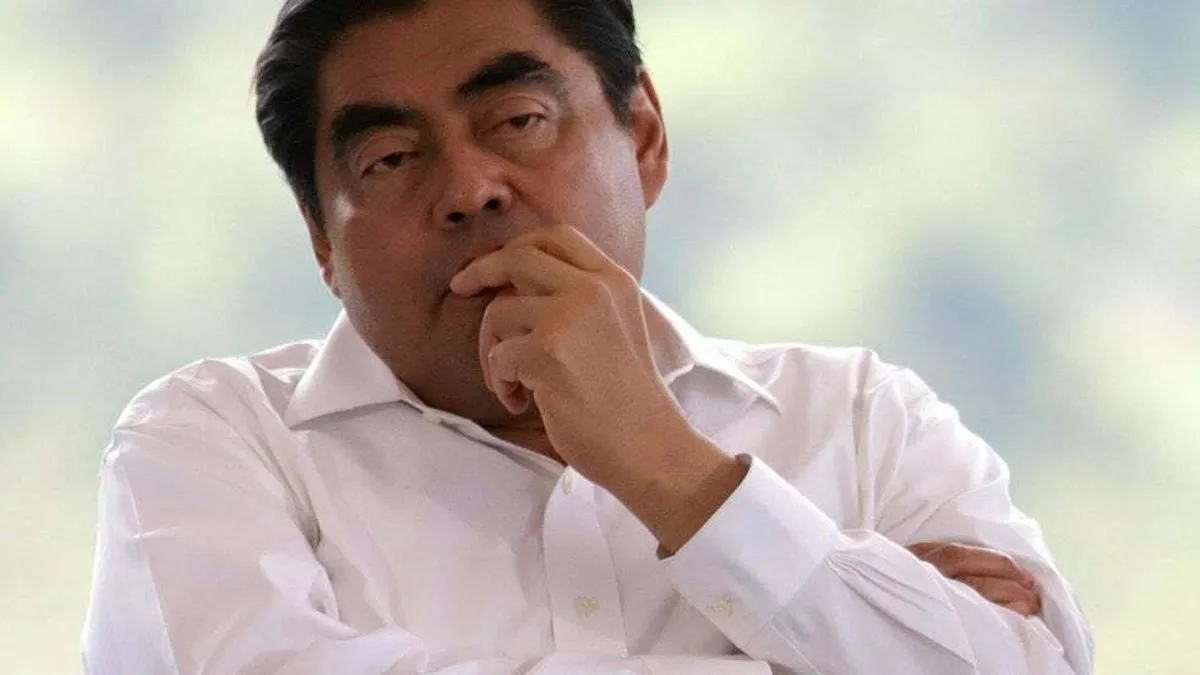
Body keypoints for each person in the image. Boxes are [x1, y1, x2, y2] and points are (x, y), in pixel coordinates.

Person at [83, 0, 1094, 673]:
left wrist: (673, 470)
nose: (469, 187)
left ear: (643, 136)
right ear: (321, 240)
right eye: (389, 158)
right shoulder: (213, 442)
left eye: (518, 119)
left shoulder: (864, 418)